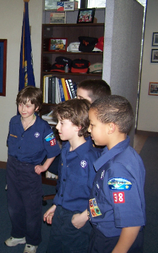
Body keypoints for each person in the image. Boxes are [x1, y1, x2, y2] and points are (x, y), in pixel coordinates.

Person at [5, 86, 60, 253]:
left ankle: (33, 240)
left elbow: (54, 151)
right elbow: (11, 144)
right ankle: (18, 234)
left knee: (31, 208)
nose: (23, 109)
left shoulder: (43, 128)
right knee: (14, 206)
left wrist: (44, 166)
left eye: (28, 105)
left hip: (31, 171)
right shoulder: (14, 121)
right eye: (21, 104)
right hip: (13, 167)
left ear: (37, 108)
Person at [87, 95, 146, 253]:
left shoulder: (118, 170)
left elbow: (132, 222)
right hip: (104, 228)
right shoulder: (118, 153)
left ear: (110, 127)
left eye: (92, 125)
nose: (88, 129)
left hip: (112, 238)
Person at [43, 99, 101, 253]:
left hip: (79, 217)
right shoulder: (66, 148)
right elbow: (63, 184)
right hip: (62, 211)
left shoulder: (91, 159)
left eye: (62, 123)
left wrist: (84, 217)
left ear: (78, 126)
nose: (57, 127)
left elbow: (102, 197)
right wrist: (56, 204)